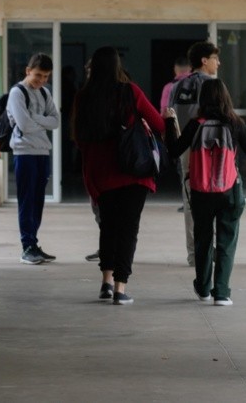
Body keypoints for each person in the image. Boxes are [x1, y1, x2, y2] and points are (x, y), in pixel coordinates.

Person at [164, 78, 246, 306]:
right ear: (226, 97)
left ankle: (204, 287)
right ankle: (222, 293)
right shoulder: (234, 123)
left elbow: (174, 150)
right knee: (227, 240)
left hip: (200, 192)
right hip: (229, 191)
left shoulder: (196, 123)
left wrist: (169, 122)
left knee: (203, 239)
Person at [72, 46, 166, 305]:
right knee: (128, 230)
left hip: (100, 174)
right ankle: (120, 288)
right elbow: (158, 124)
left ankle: (105, 283)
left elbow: (79, 139)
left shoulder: (84, 97)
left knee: (108, 227)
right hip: (132, 171)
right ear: (117, 66)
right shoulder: (130, 92)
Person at [7, 52, 60, 265]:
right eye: (38, 75)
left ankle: (33, 244)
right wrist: (42, 122)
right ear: (28, 71)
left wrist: (35, 119)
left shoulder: (45, 93)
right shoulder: (17, 93)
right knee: (27, 201)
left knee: (37, 202)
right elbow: (24, 125)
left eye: (46, 76)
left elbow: (56, 122)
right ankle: (26, 247)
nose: (42, 80)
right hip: (25, 153)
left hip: (41, 152)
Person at [171, 42, 221, 267]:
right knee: (215, 198)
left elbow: (171, 118)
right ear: (204, 60)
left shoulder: (178, 86)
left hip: (186, 147)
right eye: (215, 58)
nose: (218, 63)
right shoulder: (213, 85)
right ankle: (211, 249)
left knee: (190, 200)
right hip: (210, 149)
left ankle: (194, 254)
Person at [160, 56, 193, 214]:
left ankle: (186, 199)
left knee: (183, 168)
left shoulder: (169, 87)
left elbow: (164, 111)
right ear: (190, 69)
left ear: (176, 69)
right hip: (197, 132)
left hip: (178, 133)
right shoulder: (200, 84)